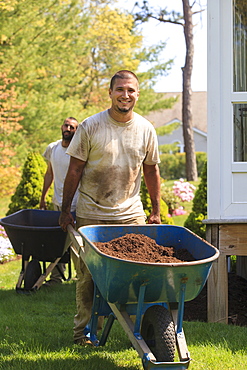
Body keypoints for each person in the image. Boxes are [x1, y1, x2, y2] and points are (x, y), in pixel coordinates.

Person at [59, 70, 161, 345]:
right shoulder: (91, 126)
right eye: (120, 90)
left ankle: (141, 331)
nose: (125, 95)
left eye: (130, 90)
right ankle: (84, 333)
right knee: (88, 277)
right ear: (110, 93)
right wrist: (66, 209)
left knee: (141, 275)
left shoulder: (145, 129)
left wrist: (155, 212)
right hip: (92, 214)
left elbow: (151, 172)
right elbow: (74, 170)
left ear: (137, 94)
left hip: (130, 213)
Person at [40, 117, 79, 286]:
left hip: (77, 203)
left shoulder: (79, 149)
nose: (68, 128)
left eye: (72, 127)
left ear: (76, 131)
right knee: (57, 241)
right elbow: (49, 173)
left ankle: (83, 278)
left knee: (77, 242)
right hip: (57, 202)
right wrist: (43, 197)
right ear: (61, 126)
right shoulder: (53, 148)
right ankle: (56, 278)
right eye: (66, 125)